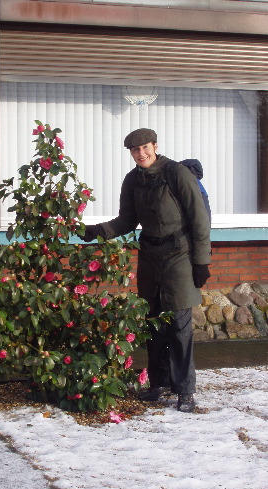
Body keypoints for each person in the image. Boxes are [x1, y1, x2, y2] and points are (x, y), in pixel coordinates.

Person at [83, 128, 211, 413]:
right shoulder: (133, 180)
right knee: (153, 323)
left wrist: (201, 262)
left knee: (179, 323)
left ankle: (184, 390)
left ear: (155, 145)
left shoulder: (178, 174)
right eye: (134, 151)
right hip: (150, 256)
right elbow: (127, 220)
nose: (140, 154)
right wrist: (97, 231)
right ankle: (158, 383)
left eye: (145, 148)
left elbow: (199, 219)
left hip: (179, 255)